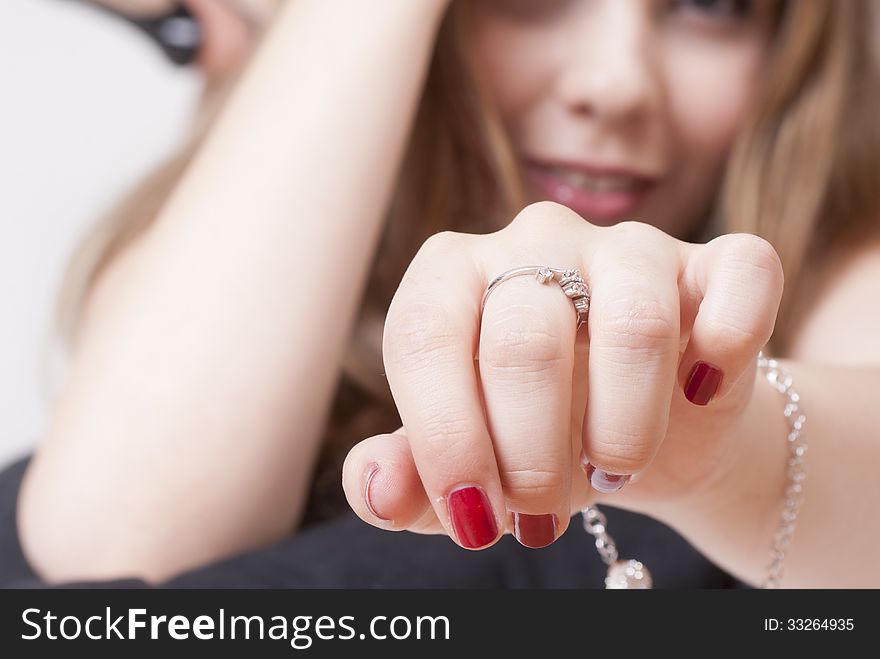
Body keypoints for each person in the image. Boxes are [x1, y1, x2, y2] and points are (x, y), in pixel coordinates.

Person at [3, 0, 879, 588]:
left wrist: (733, 453)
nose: (615, 86)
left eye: (712, 3)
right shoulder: (219, 274)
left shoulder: (834, 258)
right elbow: (101, 572)